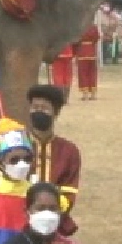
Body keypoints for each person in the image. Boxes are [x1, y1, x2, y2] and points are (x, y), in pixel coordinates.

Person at [27, 85, 82, 235]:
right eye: (34, 107)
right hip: (20, 223)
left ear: (55, 113)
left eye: (44, 108)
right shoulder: (18, 146)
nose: (38, 111)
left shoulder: (69, 151)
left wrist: (48, 214)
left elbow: (69, 193)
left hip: (56, 224)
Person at [74, 22, 100, 101]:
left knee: (83, 73)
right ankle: (93, 94)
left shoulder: (79, 27)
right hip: (91, 51)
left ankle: (85, 94)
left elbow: (75, 41)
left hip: (82, 51)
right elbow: (96, 39)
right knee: (92, 73)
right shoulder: (93, 27)